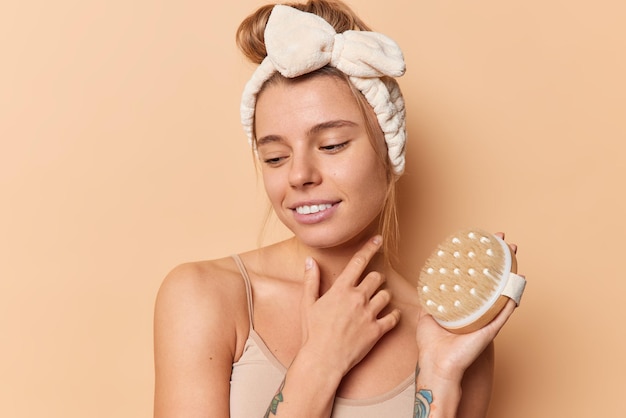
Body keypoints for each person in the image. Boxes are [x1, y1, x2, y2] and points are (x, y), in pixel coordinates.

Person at [153, 1, 521, 417]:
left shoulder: (446, 337)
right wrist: (319, 363)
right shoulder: (206, 296)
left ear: (389, 148)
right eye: (275, 157)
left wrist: (439, 378)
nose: (299, 175)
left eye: (331, 145)